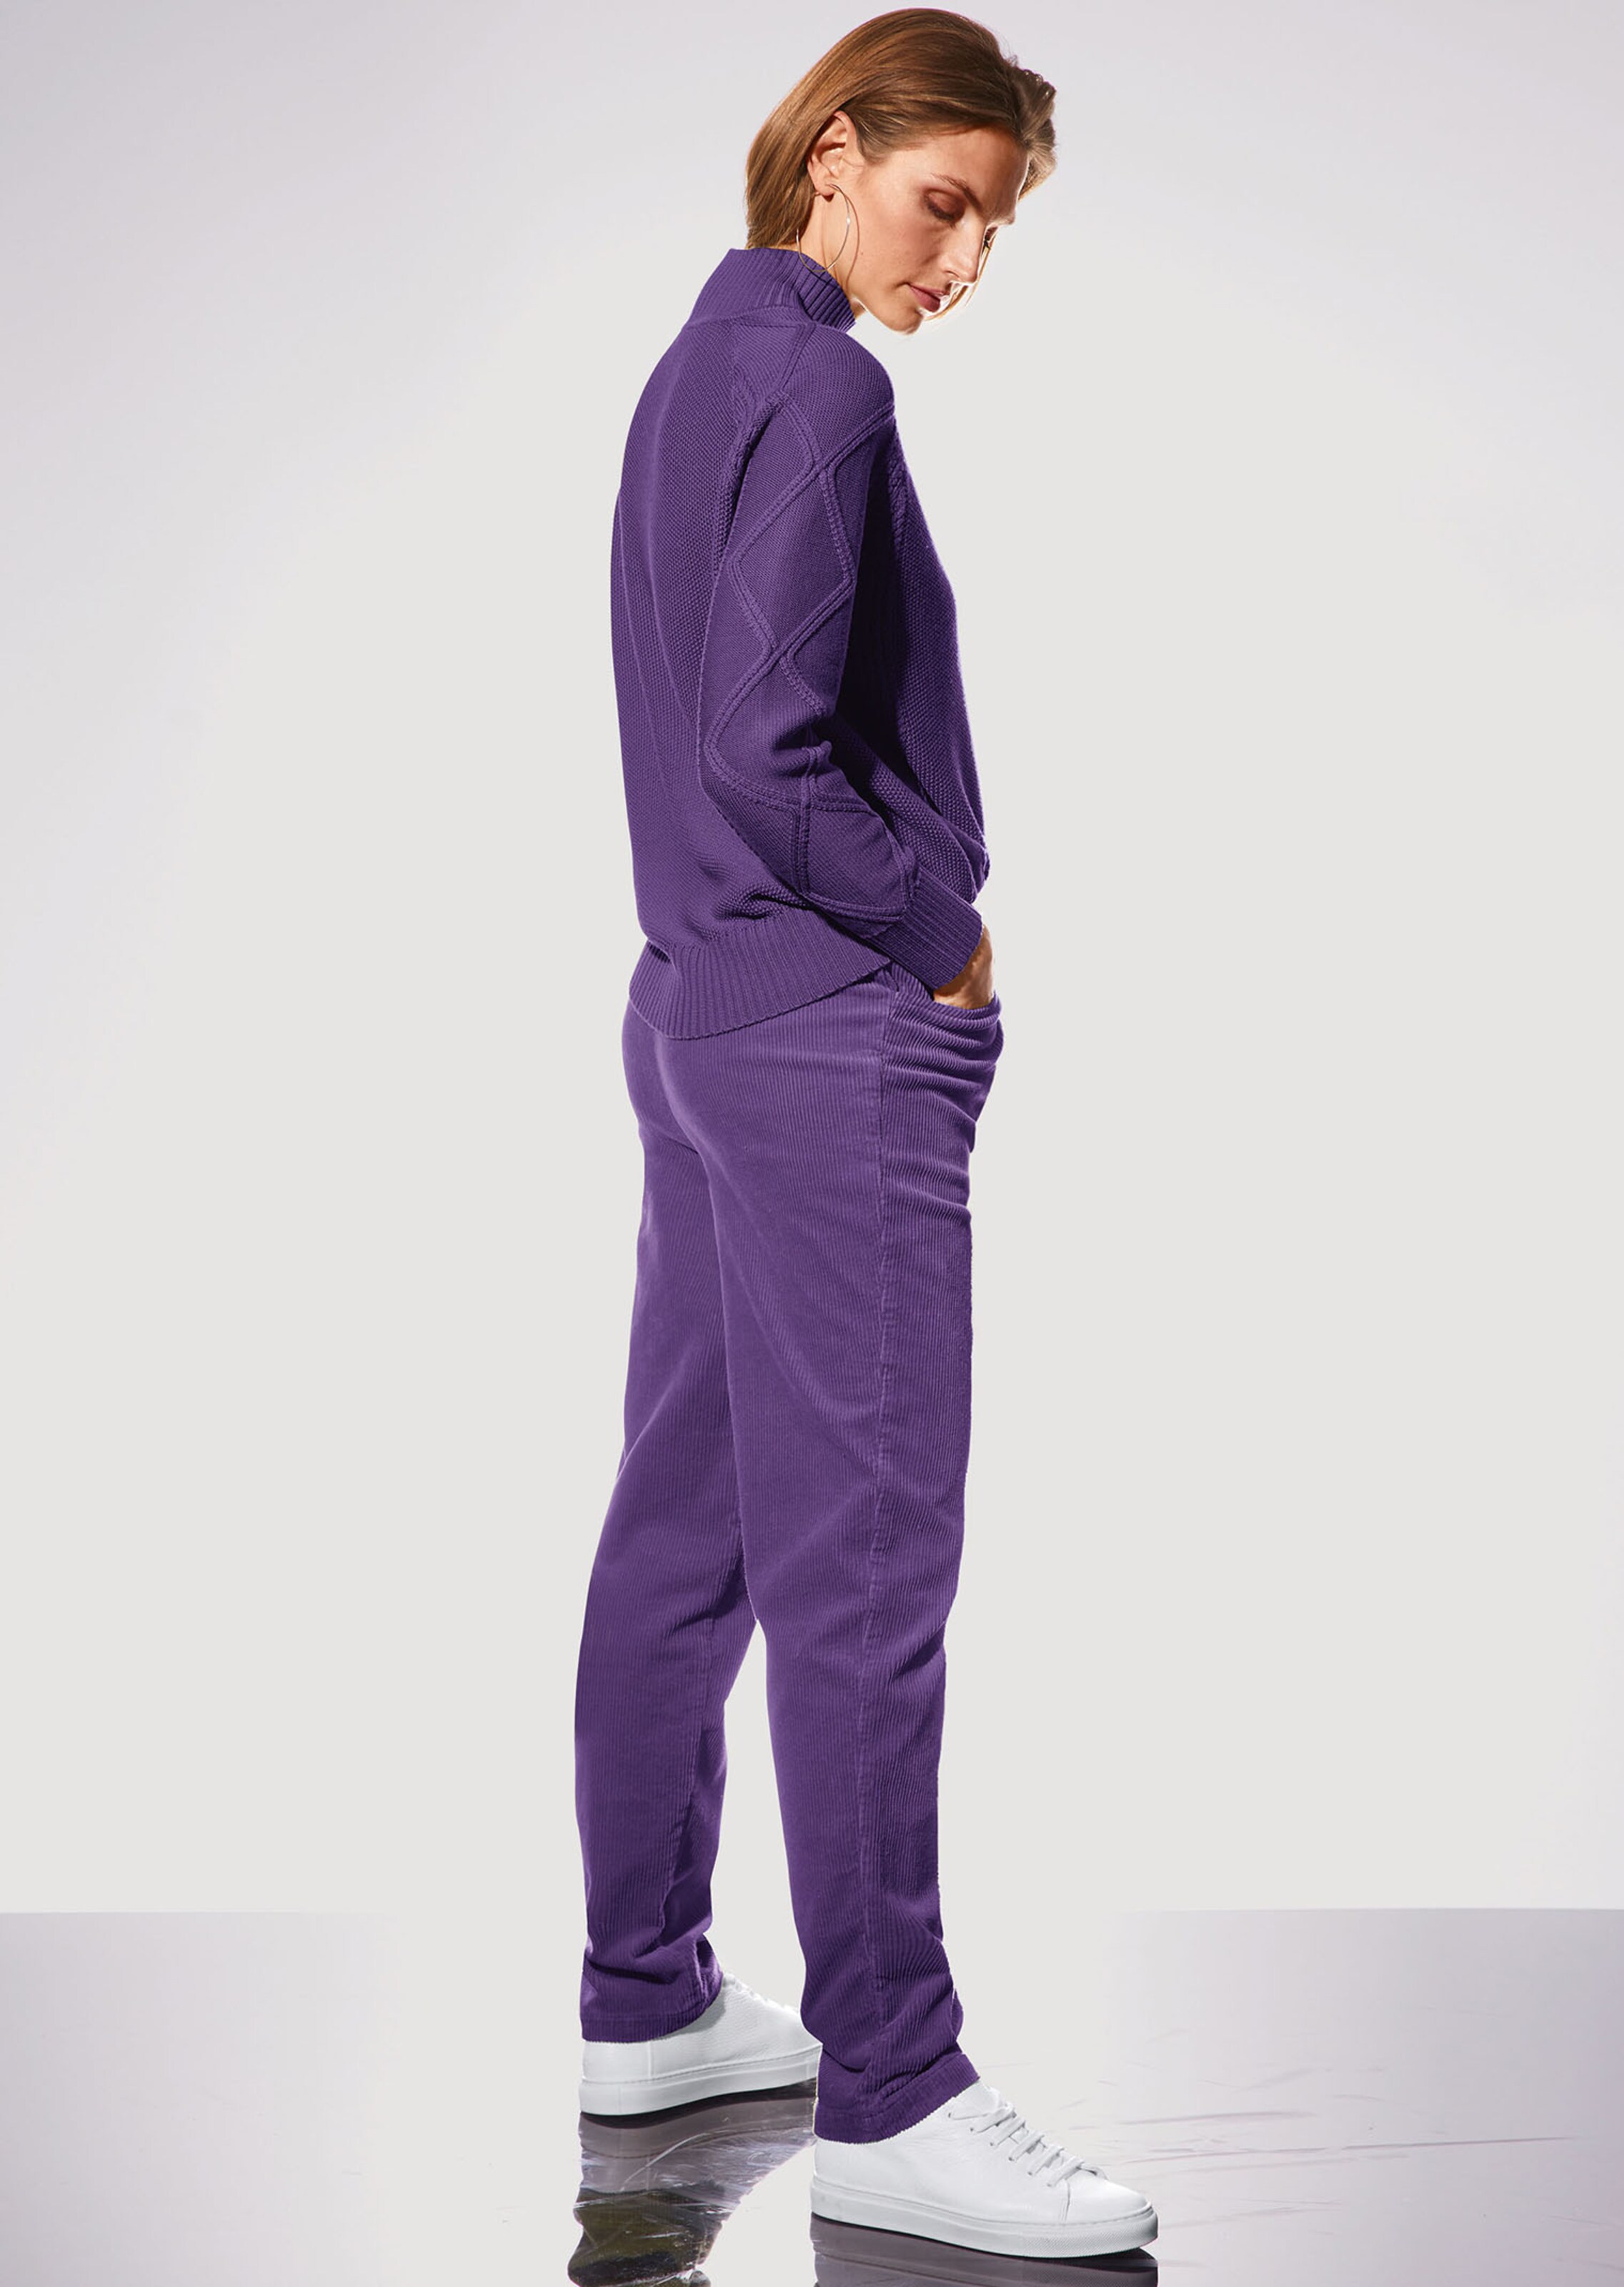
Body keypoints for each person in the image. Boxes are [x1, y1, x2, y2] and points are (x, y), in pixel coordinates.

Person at [572, 9, 1158, 2261]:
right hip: (824, 1037)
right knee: (865, 1566)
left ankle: (644, 1999)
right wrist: (946, 939)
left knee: (685, 1534)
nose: (962, 262)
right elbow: (765, 753)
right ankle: (894, 2087)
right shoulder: (818, 388)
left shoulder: (689, 371)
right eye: (944, 203)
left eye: (993, 229)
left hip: (694, 1017)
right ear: (832, 150)